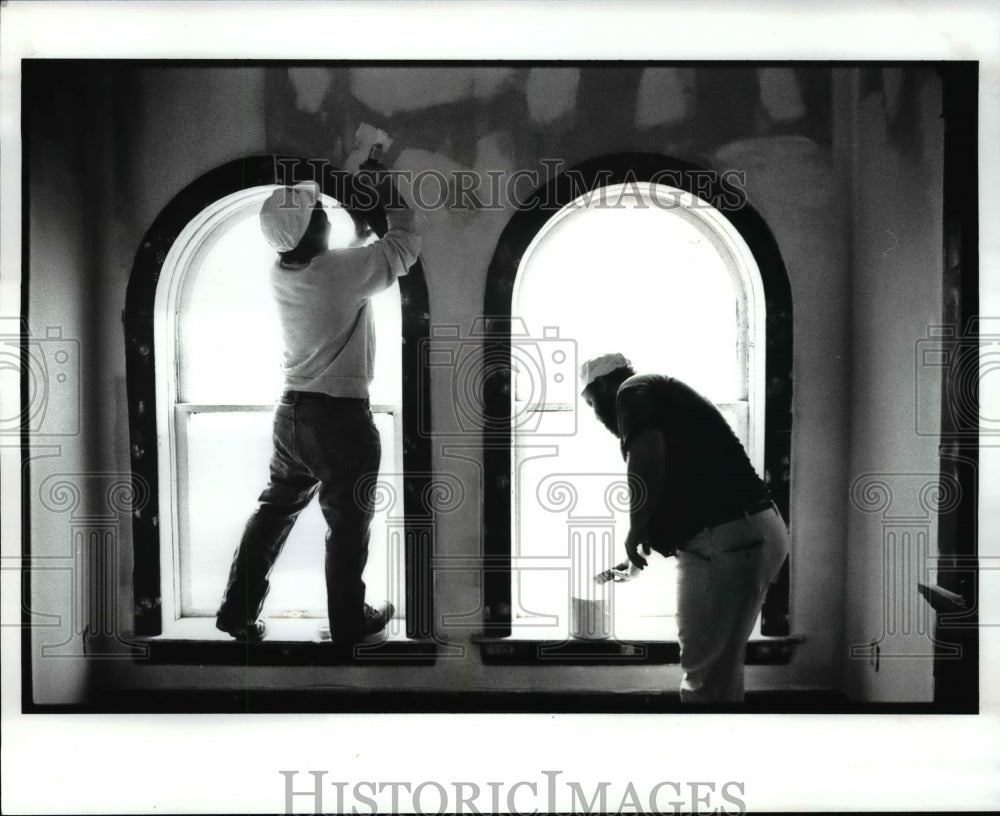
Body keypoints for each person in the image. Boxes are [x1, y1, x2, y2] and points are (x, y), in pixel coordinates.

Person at [215, 166, 420, 644]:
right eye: (321, 212)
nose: (328, 214)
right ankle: (350, 621)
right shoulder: (339, 272)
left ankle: (236, 611)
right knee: (347, 527)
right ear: (312, 230)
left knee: (274, 512)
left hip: (291, 417)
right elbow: (406, 243)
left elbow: (340, 261)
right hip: (340, 421)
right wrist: (385, 184)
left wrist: (358, 231)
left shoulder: (283, 270)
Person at [582, 353, 789, 702]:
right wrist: (640, 552)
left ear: (603, 385)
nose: (596, 415)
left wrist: (635, 531)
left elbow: (647, 456)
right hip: (742, 535)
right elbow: (684, 489)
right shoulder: (661, 399)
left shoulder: (632, 391)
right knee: (717, 672)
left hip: (732, 537)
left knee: (706, 679)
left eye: (590, 403)